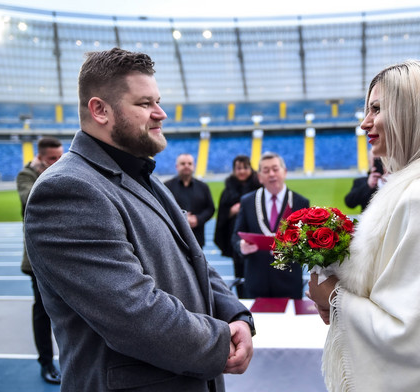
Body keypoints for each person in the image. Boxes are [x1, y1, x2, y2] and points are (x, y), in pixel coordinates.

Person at [24, 47, 254, 392]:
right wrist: (221, 340)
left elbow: (195, 262)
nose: (160, 113)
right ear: (100, 110)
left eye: (157, 101)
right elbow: (133, 315)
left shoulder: (141, 174)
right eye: (145, 104)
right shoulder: (68, 190)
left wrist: (236, 315)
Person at [307, 60, 420, 391]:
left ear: (412, 111)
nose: (364, 123)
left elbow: (412, 342)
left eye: (376, 109)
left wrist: (332, 295)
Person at [16, 136, 63, 385]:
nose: (57, 162)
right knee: (43, 312)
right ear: (40, 158)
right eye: (52, 159)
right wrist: (41, 173)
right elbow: (33, 199)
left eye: (60, 157)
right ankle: (46, 362)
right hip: (38, 256)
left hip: (65, 255)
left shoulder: (64, 170)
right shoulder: (26, 176)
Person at [232, 152, 309, 299]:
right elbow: (236, 235)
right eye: (266, 171)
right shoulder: (248, 201)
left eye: (275, 169)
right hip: (256, 282)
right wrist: (241, 245)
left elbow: (307, 242)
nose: (271, 174)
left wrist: (292, 247)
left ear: (284, 172)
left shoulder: (300, 202)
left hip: (289, 283)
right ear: (259, 177)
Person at [214, 155, 261, 297]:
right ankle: (243, 299)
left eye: (245, 168)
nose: (242, 171)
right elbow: (221, 213)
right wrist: (231, 211)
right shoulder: (228, 190)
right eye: (238, 168)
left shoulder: (258, 187)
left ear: (250, 168)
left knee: (259, 269)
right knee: (239, 271)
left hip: (256, 236)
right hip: (236, 237)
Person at [164, 153, 215, 247]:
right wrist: (181, 219)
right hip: (175, 237)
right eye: (183, 163)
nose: (186, 166)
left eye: (189, 163)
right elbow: (162, 209)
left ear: (194, 166)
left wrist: (197, 219)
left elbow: (210, 209)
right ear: (177, 166)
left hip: (197, 237)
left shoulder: (203, 187)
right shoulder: (167, 186)